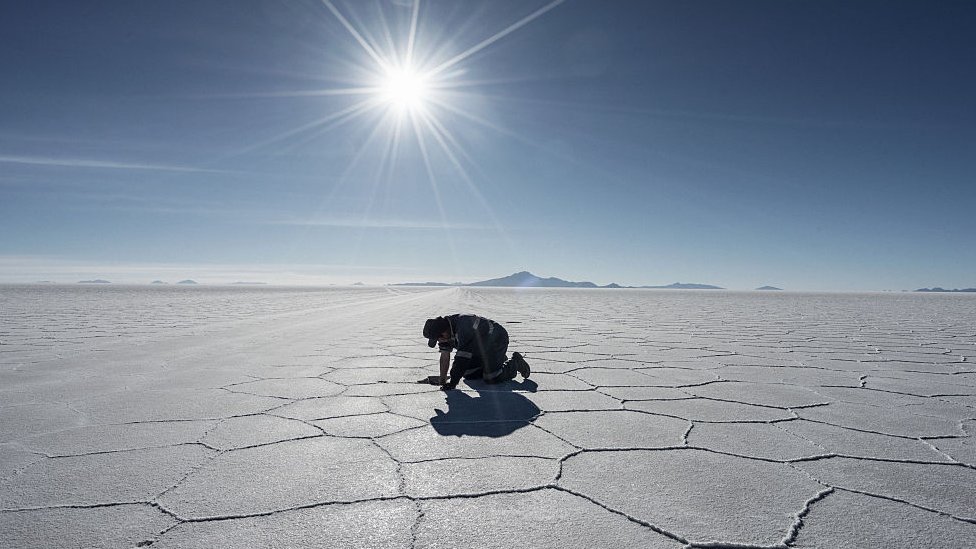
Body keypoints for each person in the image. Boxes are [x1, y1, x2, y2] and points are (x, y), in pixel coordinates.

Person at [423, 314, 530, 390]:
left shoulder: (463, 326)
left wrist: (452, 383)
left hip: (496, 340)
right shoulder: (444, 334)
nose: (439, 341)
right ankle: (496, 361)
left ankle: (515, 363)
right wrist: (442, 382)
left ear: (443, 332)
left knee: (491, 378)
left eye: (438, 338)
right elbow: (445, 357)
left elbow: (461, 360)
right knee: (468, 374)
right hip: (478, 348)